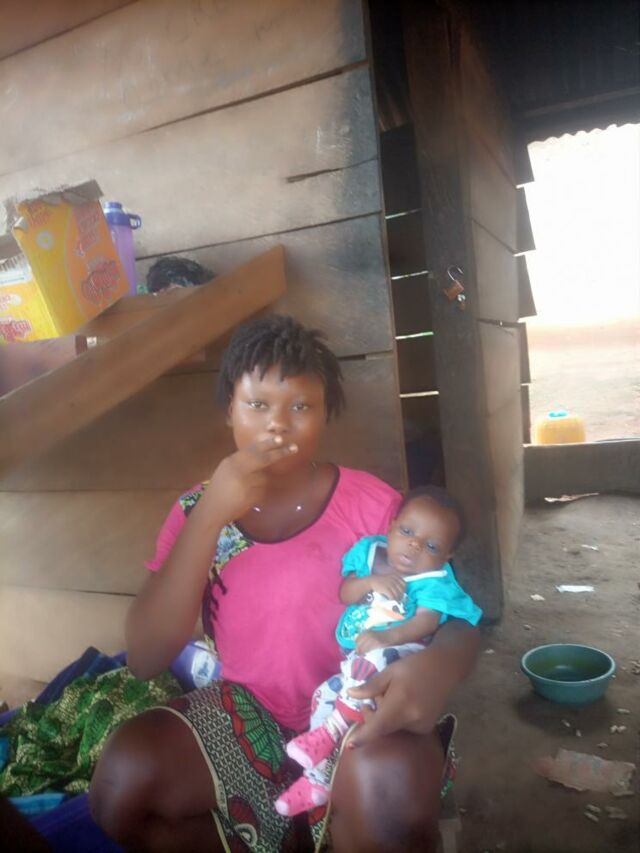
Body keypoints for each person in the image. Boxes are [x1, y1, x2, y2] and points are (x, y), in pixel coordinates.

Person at [89, 315, 480, 853]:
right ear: (228, 409)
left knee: (390, 801)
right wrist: (210, 515)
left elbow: (457, 612)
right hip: (248, 714)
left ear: (326, 414)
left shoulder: (374, 509)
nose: (278, 425)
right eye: (257, 405)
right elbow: (146, 657)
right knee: (123, 783)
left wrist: (439, 667)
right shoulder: (194, 509)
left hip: (354, 701)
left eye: (301, 407)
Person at [275, 486, 482, 817]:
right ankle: (318, 781)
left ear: (447, 556)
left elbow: (427, 621)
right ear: (392, 525)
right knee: (322, 695)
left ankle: (330, 732)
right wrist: (371, 583)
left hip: (399, 657)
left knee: (373, 662)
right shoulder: (370, 552)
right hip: (357, 662)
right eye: (407, 531)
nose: (414, 546)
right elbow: (345, 593)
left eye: (431, 546)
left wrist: (388, 638)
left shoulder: (435, 581)